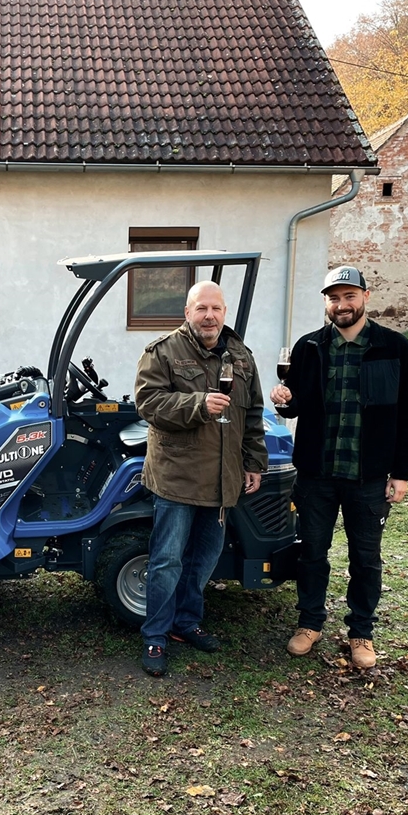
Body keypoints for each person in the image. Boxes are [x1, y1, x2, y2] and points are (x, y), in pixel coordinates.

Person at [269, 266, 408, 670]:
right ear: (327, 303)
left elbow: (406, 414)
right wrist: (284, 400)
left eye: (349, 296)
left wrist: (401, 472)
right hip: (316, 475)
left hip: (367, 477)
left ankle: (361, 632)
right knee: (312, 552)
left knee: (365, 559)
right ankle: (309, 623)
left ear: (365, 297)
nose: (342, 305)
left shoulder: (394, 347)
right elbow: (296, 405)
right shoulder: (309, 347)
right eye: (334, 298)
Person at [134, 281, 268, 677]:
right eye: (201, 308)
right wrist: (197, 404)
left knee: (204, 559)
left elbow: (252, 414)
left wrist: (253, 462)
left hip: (222, 479)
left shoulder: (241, 356)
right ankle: (155, 635)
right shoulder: (163, 352)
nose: (209, 316)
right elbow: (148, 403)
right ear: (187, 312)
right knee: (166, 561)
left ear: (224, 312)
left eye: (216, 308)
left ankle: (186, 622)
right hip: (177, 477)